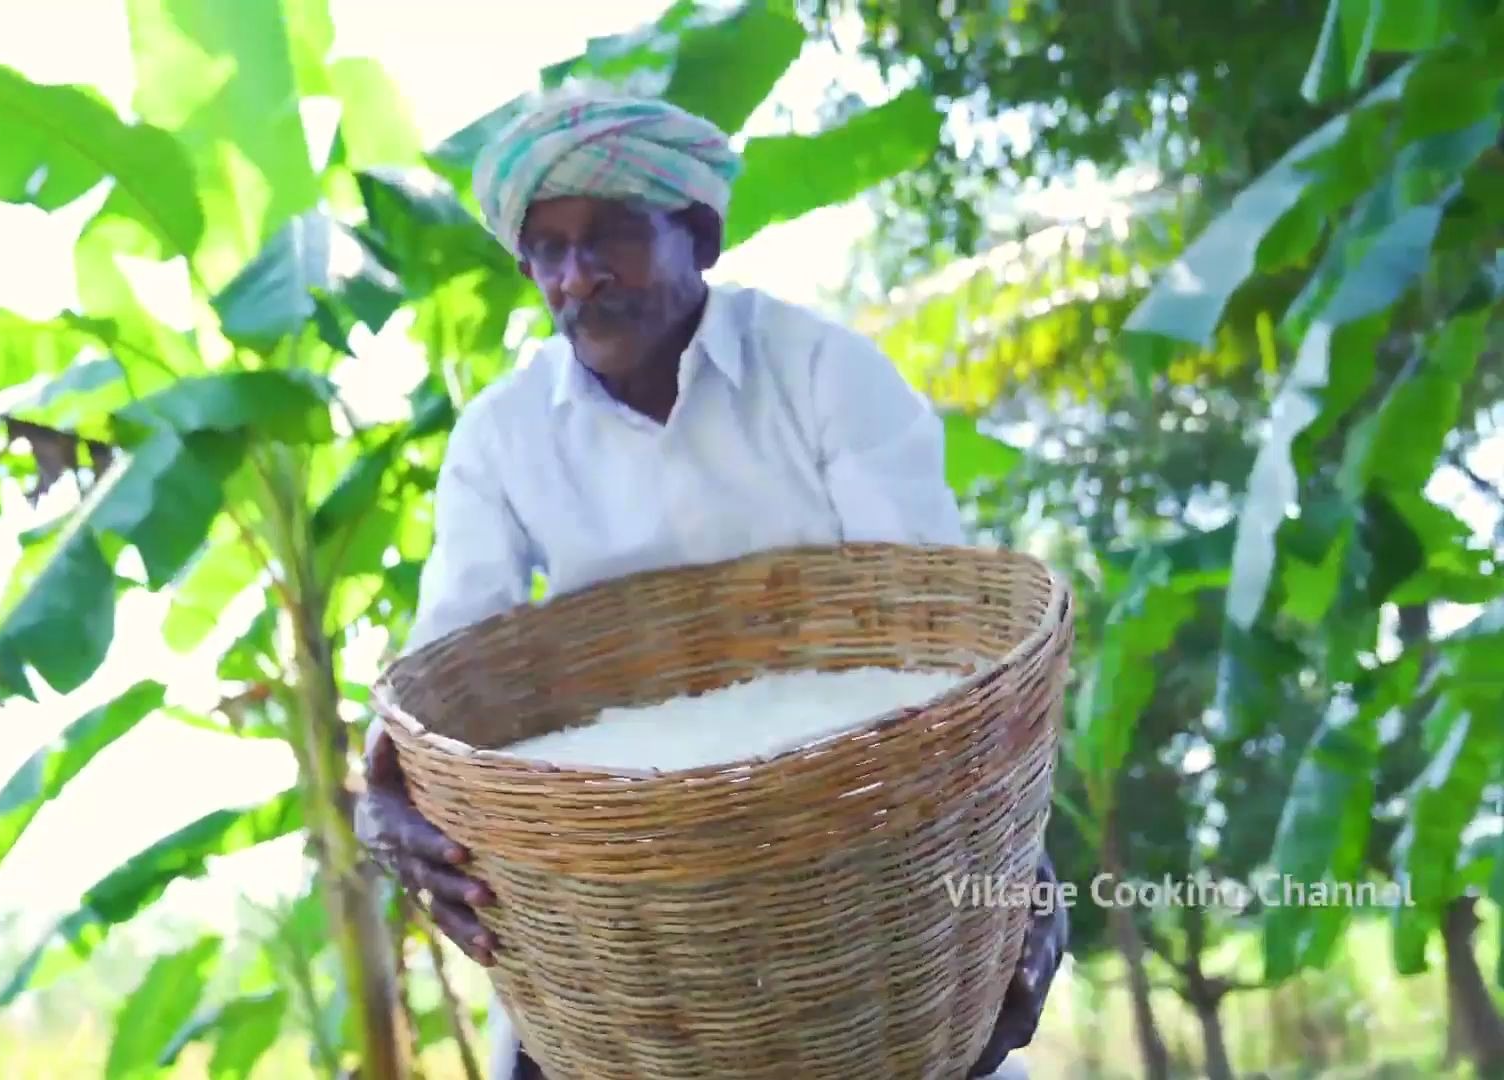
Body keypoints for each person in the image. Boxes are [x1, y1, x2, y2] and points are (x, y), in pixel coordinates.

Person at [355, 90, 1067, 1080]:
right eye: (548, 252)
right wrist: (380, 793)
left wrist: (1020, 867)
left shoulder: (821, 373)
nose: (580, 276)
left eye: (611, 236)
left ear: (699, 235)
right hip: (630, 934)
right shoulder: (503, 437)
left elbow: (946, 657)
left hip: (851, 876)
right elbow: (446, 656)